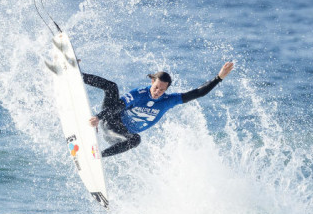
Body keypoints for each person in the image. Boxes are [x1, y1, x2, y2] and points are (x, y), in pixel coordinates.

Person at [83, 62, 234, 157]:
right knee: (112, 87)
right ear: (152, 82)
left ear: (167, 89)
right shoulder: (139, 94)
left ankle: (99, 157)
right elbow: (118, 106)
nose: (157, 92)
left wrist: (218, 78)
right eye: (156, 88)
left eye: (162, 90)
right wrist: (99, 117)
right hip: (109, 123)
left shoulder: (169, 101)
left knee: (135, 139)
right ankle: (79, 76)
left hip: (119, 135)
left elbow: (197, 93)